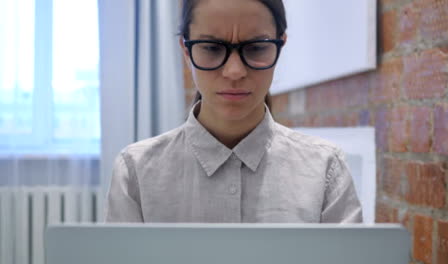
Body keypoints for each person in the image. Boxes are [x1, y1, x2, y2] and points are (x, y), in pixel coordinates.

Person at [105, 0, 362, 223]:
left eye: (256, 48)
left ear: (280, 46)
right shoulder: (136, 171)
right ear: (186, 50)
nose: (234, 71)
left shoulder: (325, 169)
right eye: (212, 48)